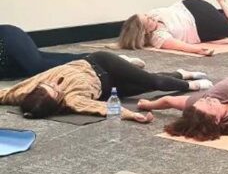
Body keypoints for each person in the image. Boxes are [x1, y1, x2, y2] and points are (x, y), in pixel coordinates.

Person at [0, 51, 209, 122]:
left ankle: (190, 83)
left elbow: (3, 94)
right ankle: (182, 73)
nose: (54, 83)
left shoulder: (25, 90)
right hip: (108, 87)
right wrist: (133, 115)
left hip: (101, 62)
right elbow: (102, 108)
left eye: (48, 85)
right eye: (55, 90)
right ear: (58, 102)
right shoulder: (74, 101)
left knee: (154, 82)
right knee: (148, 84)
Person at [117, 0, 228, 55]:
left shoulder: (153, 14)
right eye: (148, 21)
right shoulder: (159, 38)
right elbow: (181, 46)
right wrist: (199, 50)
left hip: (190, 6)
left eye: (147, 15)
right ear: (144, 32)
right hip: (201, 25)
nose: (151, 17)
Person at [0, 25, 90, 80]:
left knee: (37, 66)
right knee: (41, 59)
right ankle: (90, 58)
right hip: (10, 53)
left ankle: (91, 61)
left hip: (6, 38)